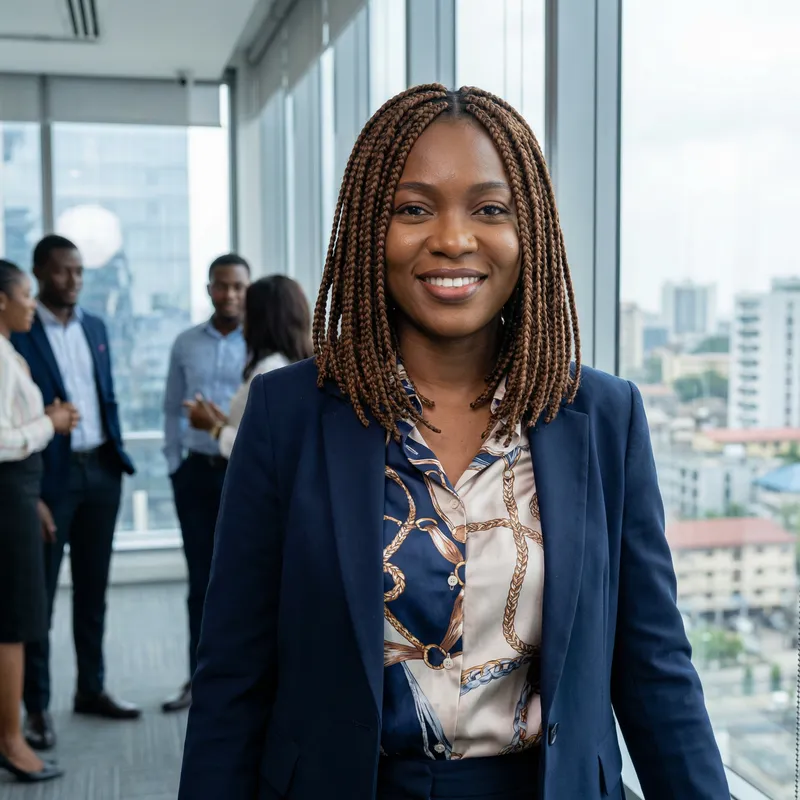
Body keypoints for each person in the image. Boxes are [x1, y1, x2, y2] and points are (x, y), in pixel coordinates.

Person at [178, 86, 730, 800]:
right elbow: (234, 675)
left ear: (529, 229)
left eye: (490, 209)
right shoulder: (288, 414)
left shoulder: (602, 416)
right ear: (368, 229)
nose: (453, 238)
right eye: (413, 208)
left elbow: (654, 667)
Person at [10, 236, 138, 753]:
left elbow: (105, 395)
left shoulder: (97, 327)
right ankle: (35, 707)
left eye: (80, 271)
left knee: (93, 590)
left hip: (100, 470)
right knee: (36, 597)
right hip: (49, 479)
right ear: (40, 273)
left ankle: (91, 688)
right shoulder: (19, 333)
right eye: (64, 272)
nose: (74, 281)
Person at [161, 254, 250, 713]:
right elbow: (170, 408)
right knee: (200, 580)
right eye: (222, 286)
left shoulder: (260, 347)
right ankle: (197, 680)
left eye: (238, 286)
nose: (230, 294)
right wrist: (175, 465)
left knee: (243, 579)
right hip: (196, 473)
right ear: (209, 289)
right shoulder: (184, 343)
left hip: (244, 476)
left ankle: (237, 679)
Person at [0, 260, 75, 783]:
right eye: (25, 294)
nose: (32, 303)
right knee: (16, 622)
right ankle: (11, 741)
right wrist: (48, 423)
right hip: (8, 494)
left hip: (18, 493)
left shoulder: (9, 352)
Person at [184, 275, 313, 460]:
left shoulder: (271, 371)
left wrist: (214, 427)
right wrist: (227, 421)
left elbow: (262, 450)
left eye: (245, 312)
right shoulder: (293, 365)